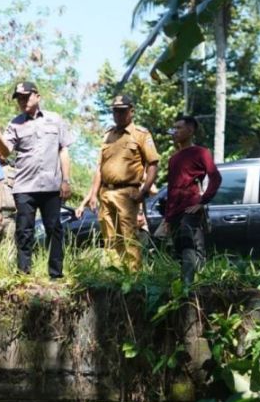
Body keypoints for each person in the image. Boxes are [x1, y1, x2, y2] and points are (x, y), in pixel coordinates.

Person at [0, 81, 74, 279]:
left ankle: (55, 274)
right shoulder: (15, 124)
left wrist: (66, 180)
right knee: (24, 231)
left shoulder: (55, 119)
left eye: (26, 96)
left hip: (51, 186)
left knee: (55, 229)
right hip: (24, 186)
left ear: (37, 96)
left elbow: (64, 150)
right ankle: (23, 273)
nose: (23, 101)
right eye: (19, 98)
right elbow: (5, 150)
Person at [76, 93, 159, 271]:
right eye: (115, 111)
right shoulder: (108, 135)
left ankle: (134, 277)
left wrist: (143, 191)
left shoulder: (141, 134)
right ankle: (116, 273)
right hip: (106, 192)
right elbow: (100, 167)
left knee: (128, 236)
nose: (118, 115)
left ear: (131, 111)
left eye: (122, 111)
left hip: (128, 193)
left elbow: (153, 164)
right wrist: (94, 194)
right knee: (109, 237)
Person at [164, 115, 221, 286]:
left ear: (190, 130)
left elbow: (216, 178)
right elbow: (171, 188)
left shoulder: (201, 152)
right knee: (179, 250)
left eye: (179, 128)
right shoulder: (173, 158)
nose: (175, 132)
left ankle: (191, 288)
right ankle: (183, 290)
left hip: (190, 207)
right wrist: (167, 218)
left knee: (192, 246)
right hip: (174, 210)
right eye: (173, 128)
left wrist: (202, 202)